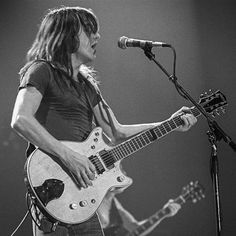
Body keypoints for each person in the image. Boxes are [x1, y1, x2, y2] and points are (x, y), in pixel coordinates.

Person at [11, 6, 197, 236]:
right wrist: (70, 157)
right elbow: (21, 119)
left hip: (83, 193)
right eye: (89, 31)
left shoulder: (88, 87)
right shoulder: (41, 70)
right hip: (52, 185)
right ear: (66, 34)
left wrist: (170, 123)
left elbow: (116, 132)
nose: (97, 36)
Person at [98, 181, 181, 236]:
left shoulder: (114, 202)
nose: (125, 175)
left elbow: (135, 228)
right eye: (121, 171)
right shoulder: (94, 200)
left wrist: (163, 213)